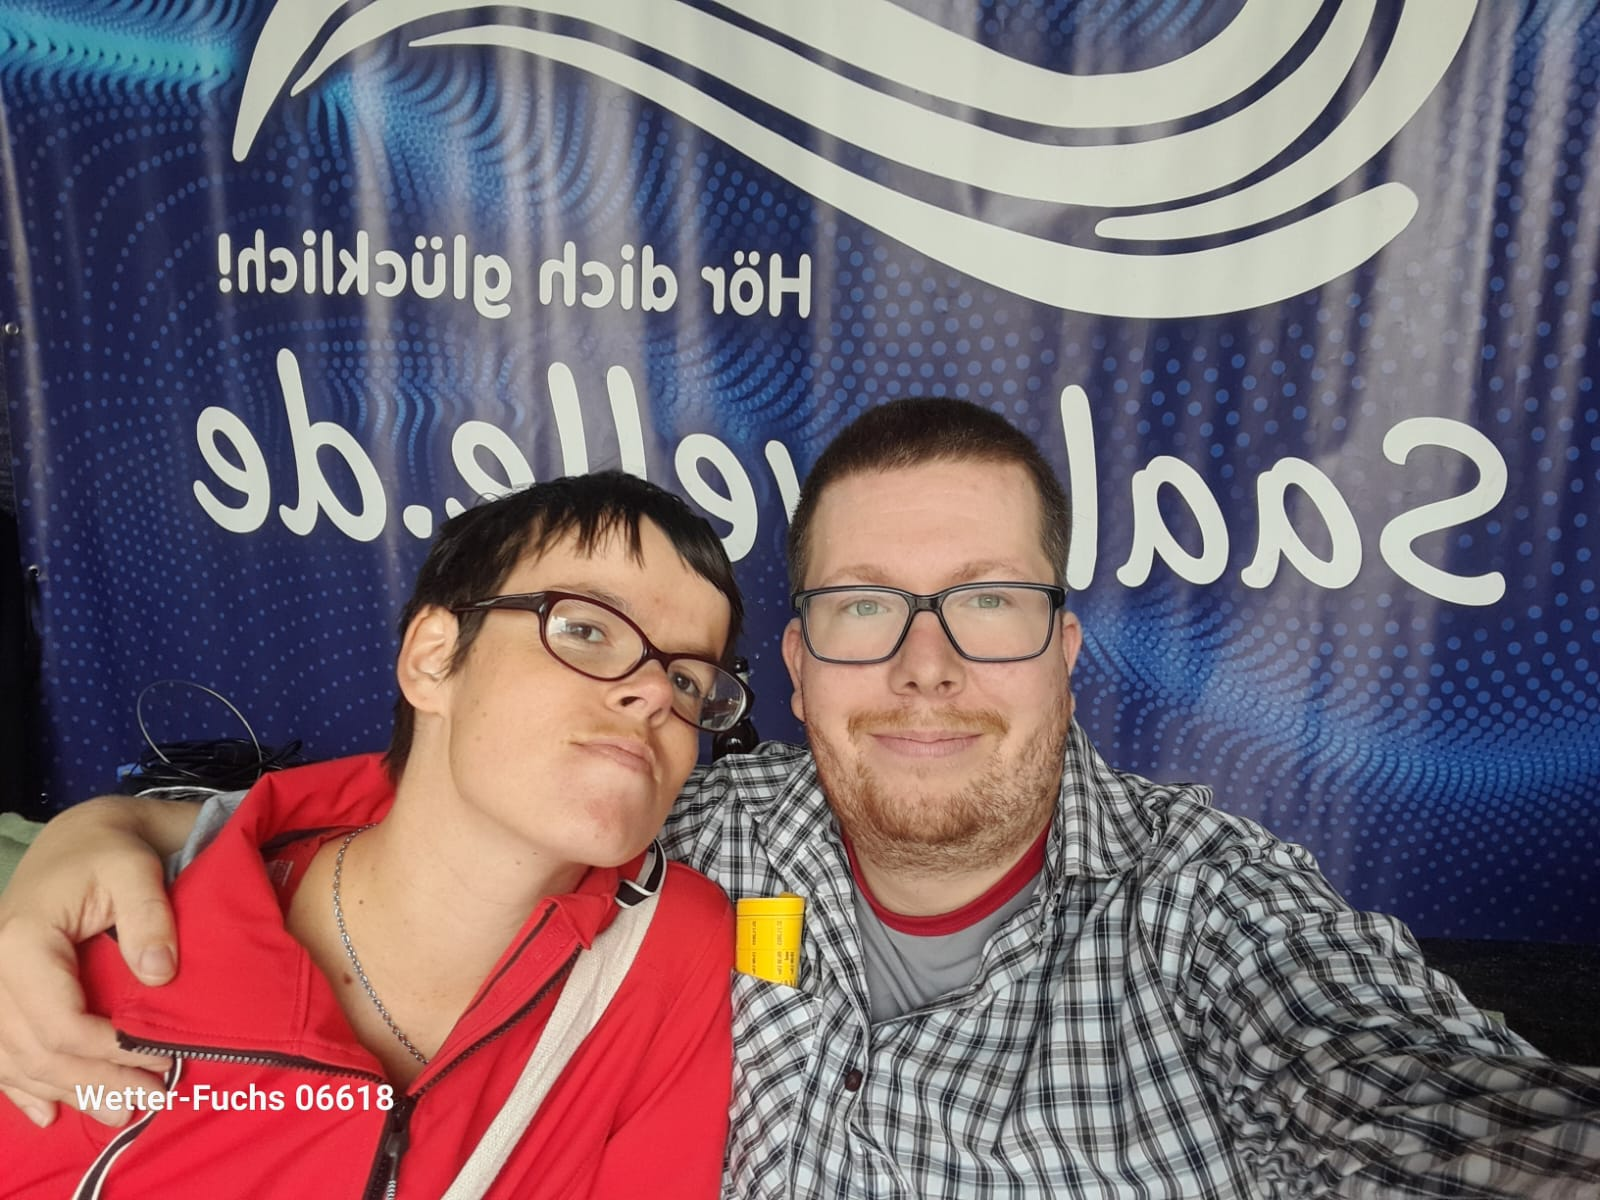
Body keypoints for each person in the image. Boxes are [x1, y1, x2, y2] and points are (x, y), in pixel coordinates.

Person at [4, 398, 1599, 1199]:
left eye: (989, 604)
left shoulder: (1210, 905)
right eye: (861, 609)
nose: (924, 667)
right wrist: (124, 833)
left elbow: (1415, 1096)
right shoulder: (694, 828)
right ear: (795, 660)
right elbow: (466, 792)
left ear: (1065, 650)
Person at [0, 471, 749, 1198]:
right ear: (434, 659)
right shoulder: (108, 961)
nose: (655, 692)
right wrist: (92, 829)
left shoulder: (675, 947)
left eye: (689, 680)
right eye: (585, 629)